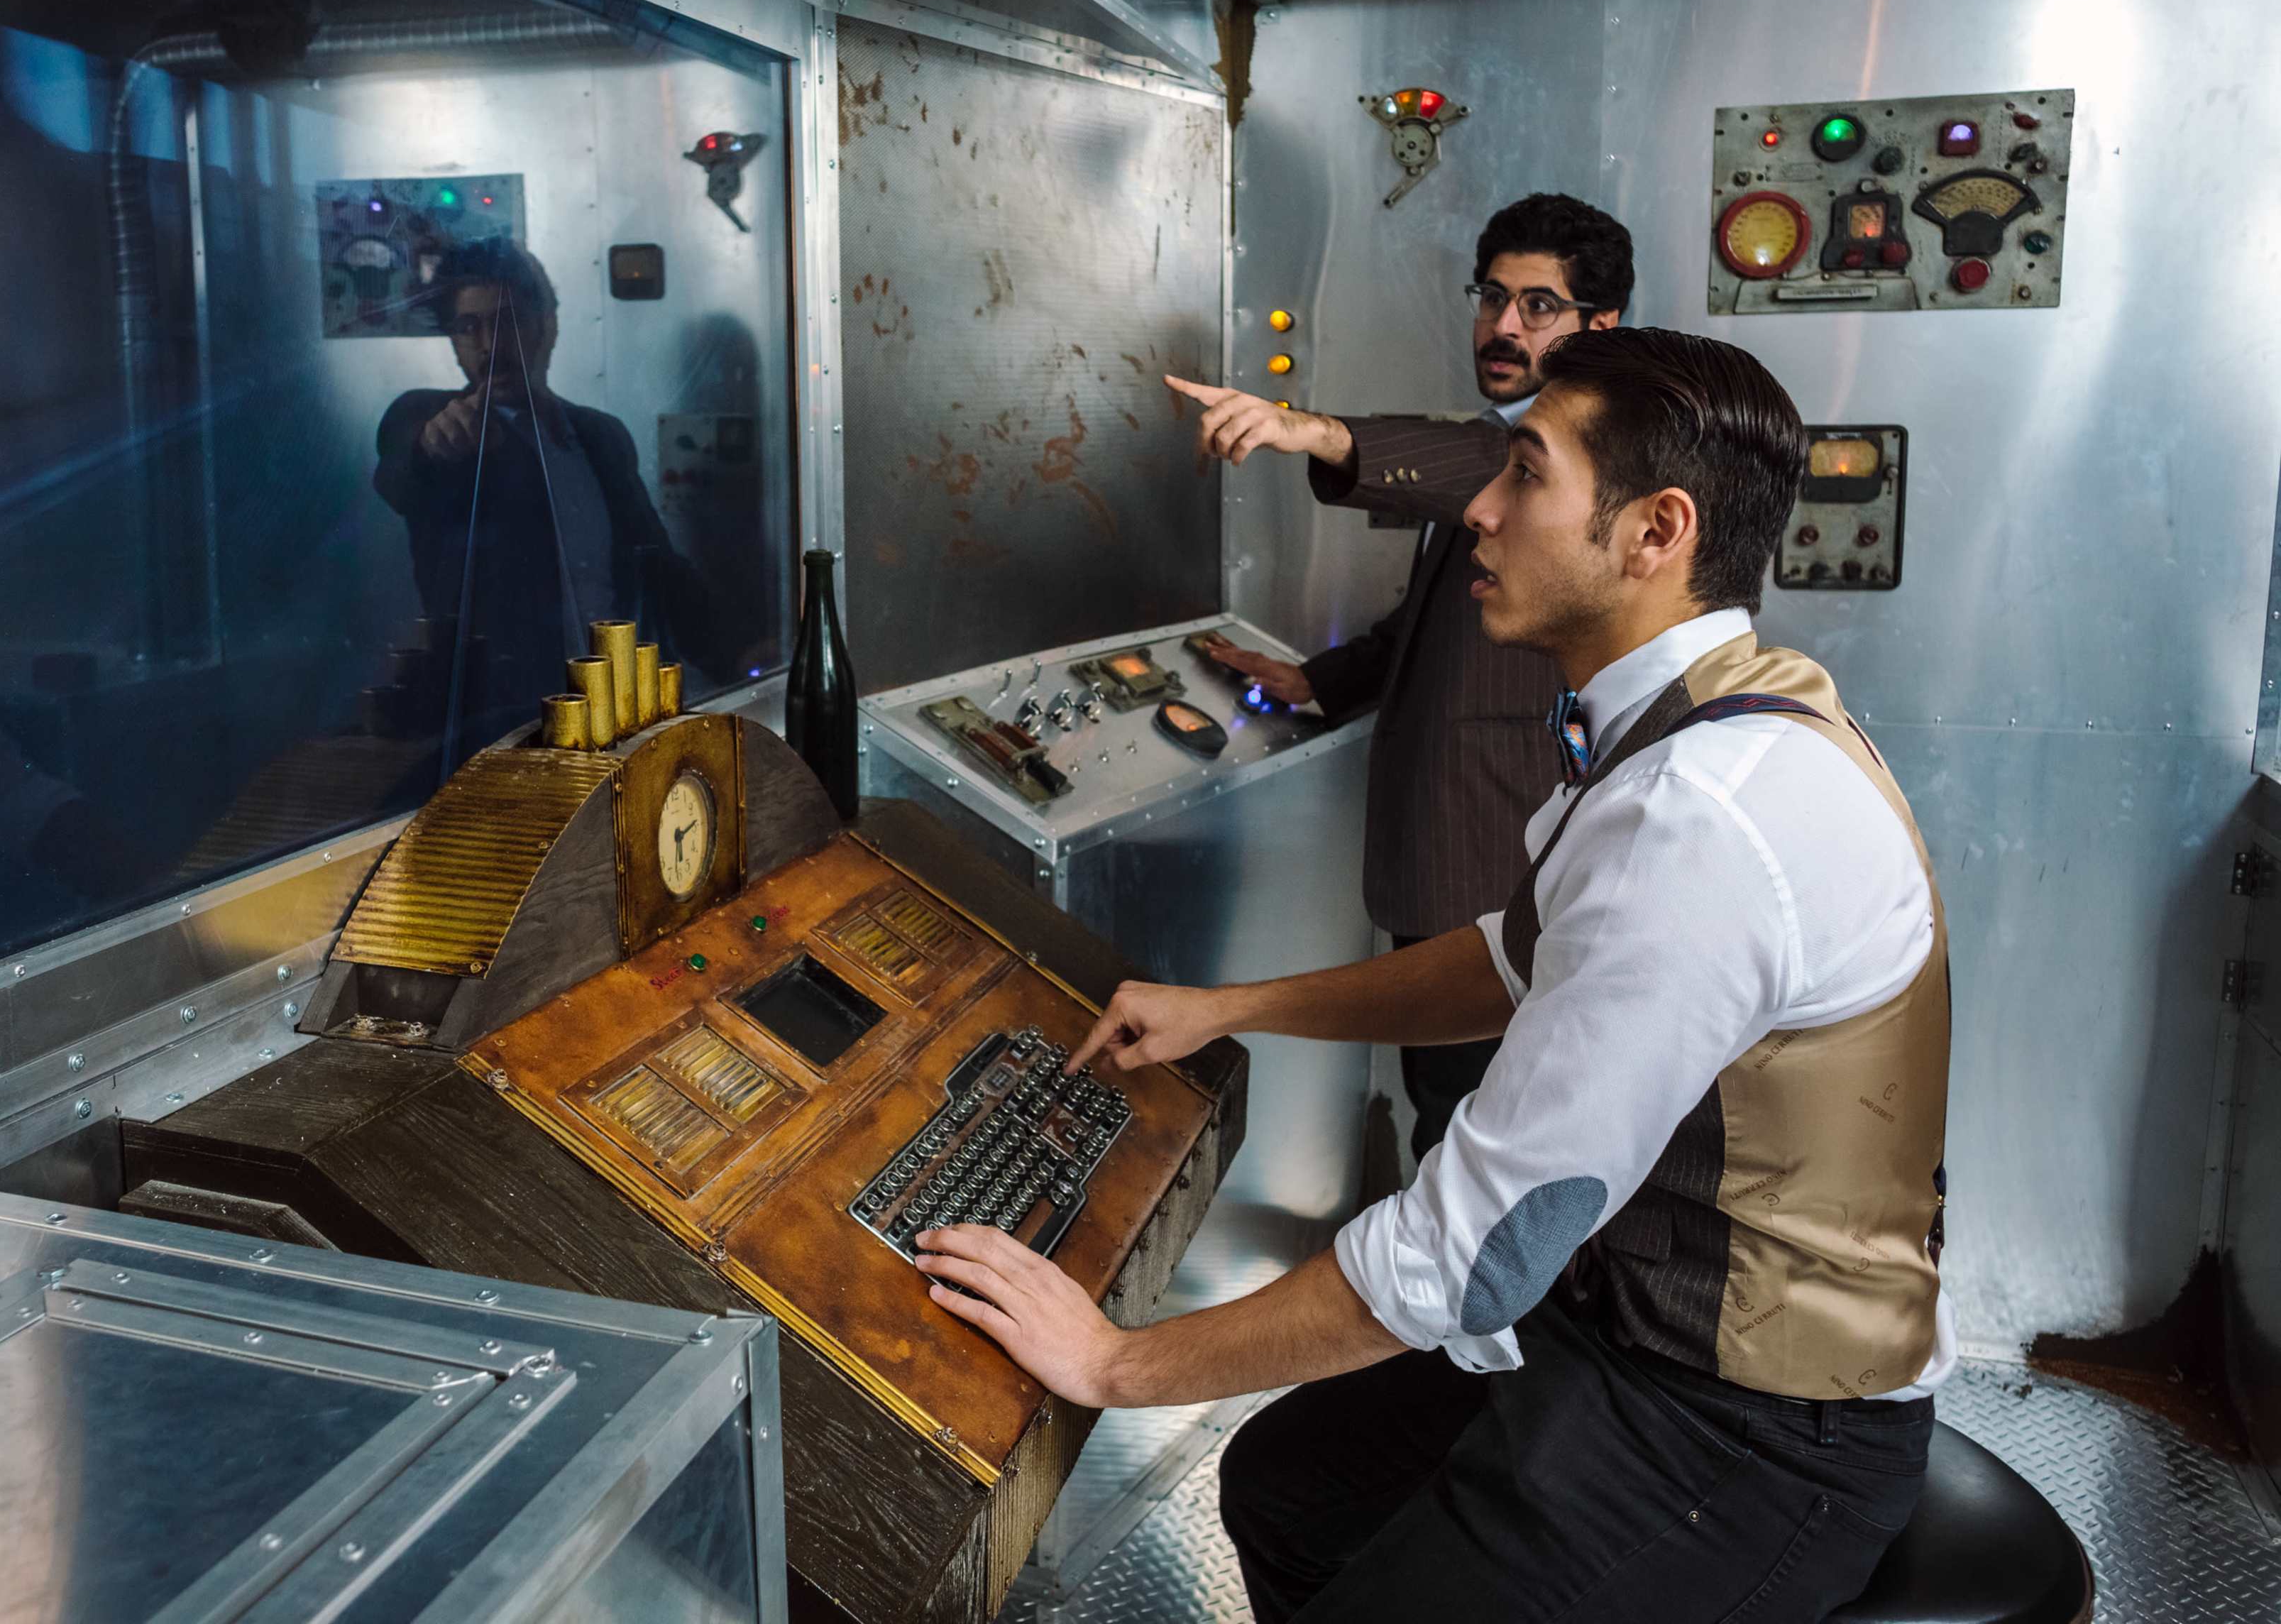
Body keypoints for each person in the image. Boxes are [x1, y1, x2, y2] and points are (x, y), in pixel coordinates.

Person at [918, 327, 1953, 1623]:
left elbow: (1467, 1258)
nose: (1479, 510)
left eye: (1525, 474)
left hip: (1755, 1420)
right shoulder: (1707, 714)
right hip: (1623, 1321)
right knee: (1291, 1486)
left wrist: (1112, 1362)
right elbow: (1510, 962)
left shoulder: (1701, 812)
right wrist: (1229, 1011)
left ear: (1655, 532)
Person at [1170, 194, 1634, 1165]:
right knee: (1450, 1119)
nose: (1505, 327)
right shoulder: (1501, 440)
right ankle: (1447, 1314)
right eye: (1494, 298)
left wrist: (1311, 431)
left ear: (1601, 327)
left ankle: (1464, 1319)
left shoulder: (1583, 447)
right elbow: (1440, 622)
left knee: (1482, 1137)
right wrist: (1315, 683)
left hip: (1500, 864)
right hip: (1454, 864)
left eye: (1539, 306)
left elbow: (1473, 465)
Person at [373, 238, 713, 759]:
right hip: (502, 733)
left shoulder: (599, 436)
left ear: (545, 324)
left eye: (506, 321)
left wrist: (744, 649)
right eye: (468, 327)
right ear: (454, 342)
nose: (488, 344)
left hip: (614, 718)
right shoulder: (433, 416)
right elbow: (404, 462)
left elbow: (658, 566)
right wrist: (432, 444)